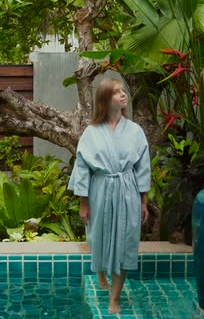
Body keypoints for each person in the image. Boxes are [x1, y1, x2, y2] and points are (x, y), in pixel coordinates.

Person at [67, 78, 151, 314]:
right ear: (105, 100)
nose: (123, 95)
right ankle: (101, 271)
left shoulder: (135, 131)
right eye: (116, 92)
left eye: (123, 91)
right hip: (100, 188)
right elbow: (82, 167)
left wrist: (143, 200)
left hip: (127, 190)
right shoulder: (91, 132)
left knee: (125, 241)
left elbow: (143, 167)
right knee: (98, 236)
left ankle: (115, 297)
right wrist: (83, 203)